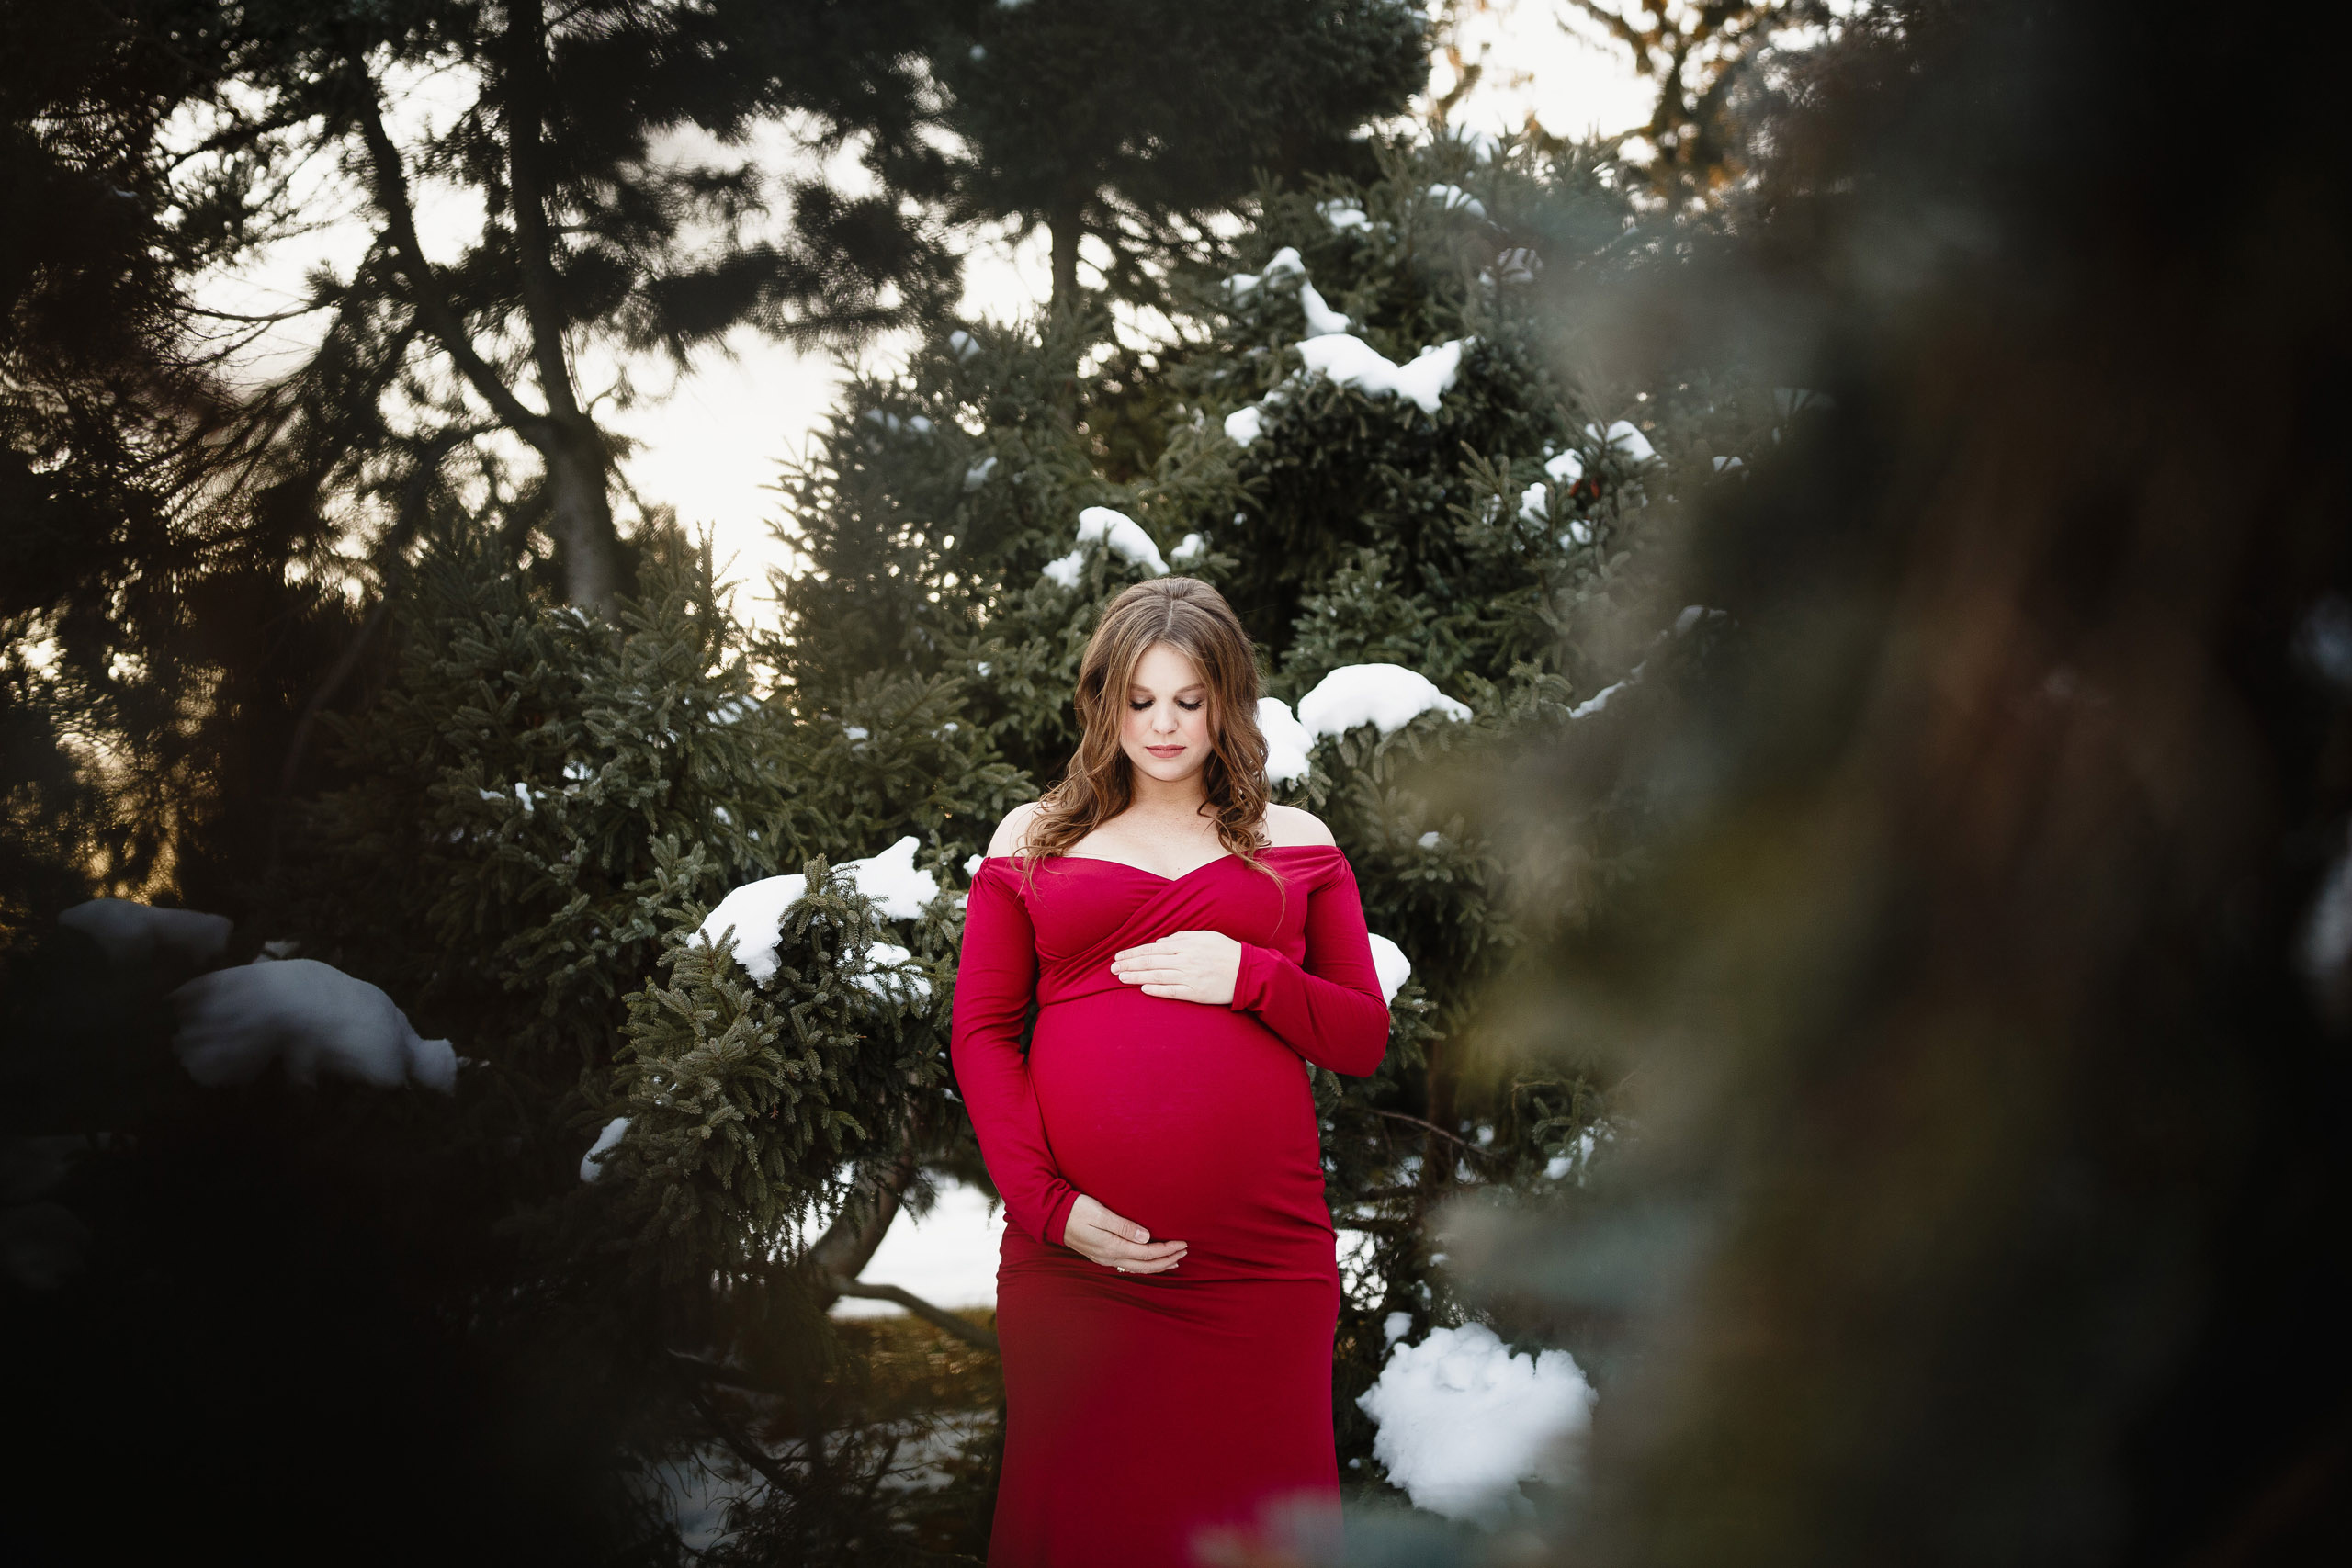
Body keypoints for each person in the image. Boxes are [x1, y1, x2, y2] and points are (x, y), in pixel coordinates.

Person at [953, 576, 1394, 1565]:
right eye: (1138, 701)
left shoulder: (1297, 844)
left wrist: (1251, 975)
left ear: (1225, 703)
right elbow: (981, 1033)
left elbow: (1360, 1037)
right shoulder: (1033, 839)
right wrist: (1048, 1207)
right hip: (1078, 1267)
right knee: (1082, 1525)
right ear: (1103, 702)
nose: (1162, 726)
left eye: (1187, 701)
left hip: (1260, 1271)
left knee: (1258, 1532)